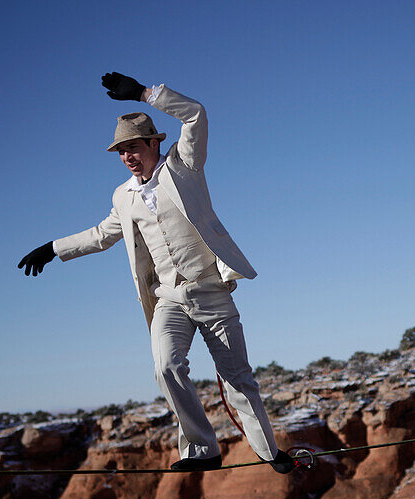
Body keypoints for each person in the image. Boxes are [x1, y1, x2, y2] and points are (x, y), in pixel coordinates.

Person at [19, 72, 294, 474]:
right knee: (166, 368)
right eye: (120, 151)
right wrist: (53, 248)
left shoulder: (185, 166)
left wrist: (147, 94)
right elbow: (101, 235)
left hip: (211, 290)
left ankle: (270, 453)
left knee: (238, 380)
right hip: (169, 296)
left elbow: (196, 115)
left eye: (133, 147)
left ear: (154, 143)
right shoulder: (123, 196)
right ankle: (203, 450)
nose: (127, 156)